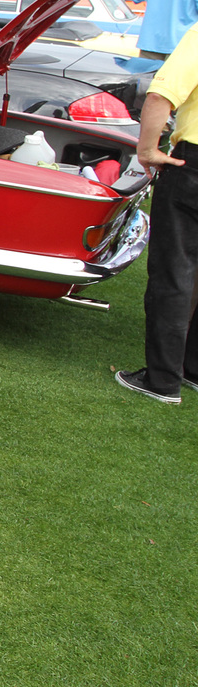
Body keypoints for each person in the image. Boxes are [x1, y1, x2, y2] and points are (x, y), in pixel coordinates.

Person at [116, 21, 198, 403]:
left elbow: (159, 96)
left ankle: (163, 378)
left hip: (192, 164)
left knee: (175, 269)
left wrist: (147, 149)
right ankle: (192, 367)